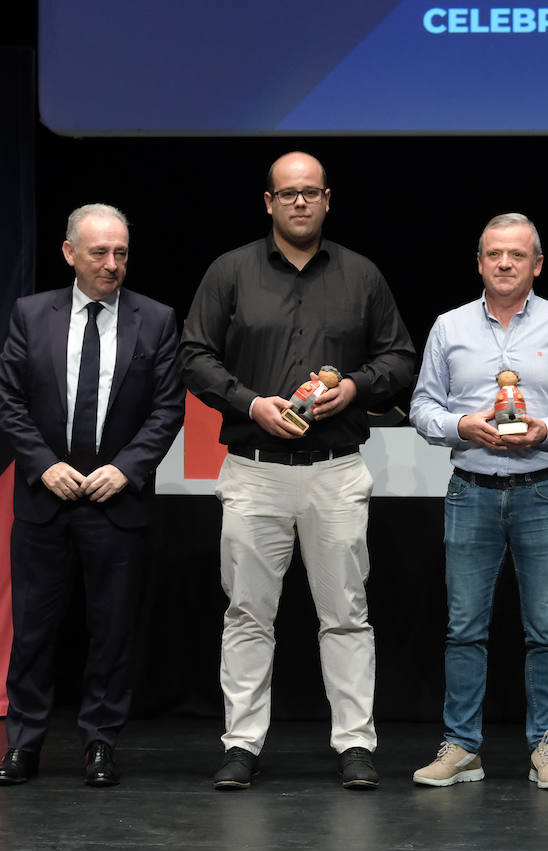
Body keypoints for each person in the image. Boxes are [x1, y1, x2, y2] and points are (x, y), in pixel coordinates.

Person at [179, 152, 417, 791]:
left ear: (329, 198)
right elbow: (194, 356)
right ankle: (242, 743)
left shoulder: (362, 275)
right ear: (268, 202)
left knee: (346, 613)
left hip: (335, 469)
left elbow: (400, 359)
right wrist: (249, 402)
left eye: (311, 193)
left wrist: (357, 389)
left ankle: (355, 743)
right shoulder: (230, 271)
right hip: (254, 469)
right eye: (288, 194)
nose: (300, 203)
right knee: (248, 614)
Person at [408, 213, 548, 790]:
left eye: (517, 255)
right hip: (471, 490)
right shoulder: (449, 326)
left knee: (546, 629)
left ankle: (545, 747)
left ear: (536, 264)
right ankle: (462, 747)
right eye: (494, 253)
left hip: (544, 488)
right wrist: (462, 425)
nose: (504, 263)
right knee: (464, 628)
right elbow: (421, 408)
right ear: (479, 262)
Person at [0, 203, 185, 788]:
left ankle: (100, 742)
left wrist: (126, 470)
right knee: (33, 633)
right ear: (70, 253)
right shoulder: (31, 314)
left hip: (115, 505)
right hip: (45, 503)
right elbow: (8, 399)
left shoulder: (156, 319)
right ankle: (23, 744)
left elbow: (167, 408)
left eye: (121, 252)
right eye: (99, 252)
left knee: (112, 632)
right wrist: (43, 465)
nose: (112, 264)